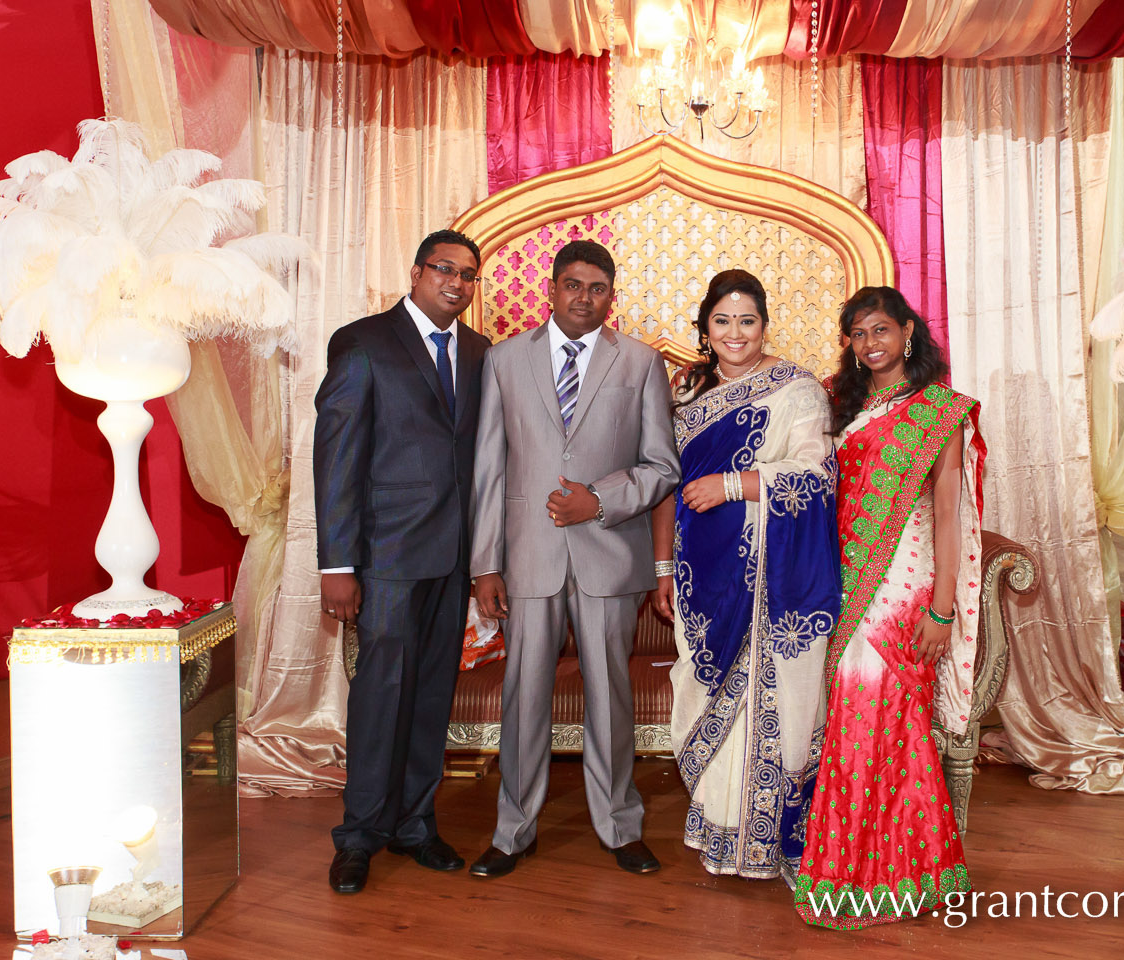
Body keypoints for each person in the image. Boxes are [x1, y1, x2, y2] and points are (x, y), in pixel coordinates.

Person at [469, 240, 681, 878]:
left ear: (610, 295)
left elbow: (663, 467)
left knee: (610, 697)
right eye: (572, 285)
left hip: (609, 556)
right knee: (523, 695)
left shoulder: (640, 363)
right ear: (552, 289)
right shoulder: (505, 360)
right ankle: (512, 832)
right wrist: (486, 563)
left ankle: (620, 826)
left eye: (596, 288)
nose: (583, 297)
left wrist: (600, 500)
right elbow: (488, 466)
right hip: (527, 558)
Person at [793, 286, 986, 930]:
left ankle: (882, 874)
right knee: (856, 720)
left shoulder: (939, 411)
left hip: (905, 590)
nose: (870, 344)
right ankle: (877, 873)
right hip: (843, 581)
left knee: (884, 717)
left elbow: (949, 515)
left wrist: (941, 609)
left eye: (881, 330)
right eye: (858, 334)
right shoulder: (840, 402)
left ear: (907, 331)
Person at [313, 229, 491, 894]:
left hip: (451, 560)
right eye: (445, 269)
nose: (457, 283)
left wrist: (483, 562)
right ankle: (358, 836)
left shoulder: (478, 353)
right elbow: (337, 459)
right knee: (381, 698)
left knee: (428, 699)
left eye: (469, 274)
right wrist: (337, 564)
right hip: (384, 557)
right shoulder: (363, 343)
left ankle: (416, 826)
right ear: (416, 271)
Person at [648, 269, 840, 879]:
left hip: (774, 579)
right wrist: (661, 568)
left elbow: (818, 478)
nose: (736, 333)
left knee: (774, 699)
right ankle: (721, 830)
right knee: (704, 697)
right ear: (705, 328)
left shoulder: (797, 390)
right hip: (702, 576)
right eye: (723, 321)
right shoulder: (683, 394)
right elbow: (662, 484)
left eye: (748, 320)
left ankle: (766, 838)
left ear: (764, 326)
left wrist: (733, 485)